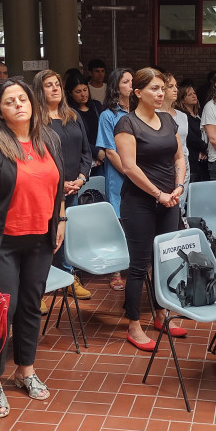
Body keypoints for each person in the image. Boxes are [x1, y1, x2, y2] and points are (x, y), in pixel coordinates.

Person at [0, 79, 65, 419]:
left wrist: (60, 219)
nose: (19, 105)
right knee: (3, 313)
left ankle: (26, 370)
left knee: (32, 307)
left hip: (40, 240)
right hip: (0, 244)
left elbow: (58, 185)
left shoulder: (48, 139)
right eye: (10, 101)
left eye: (23, 98)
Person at [114, 68, 186, 350]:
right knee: (139, 264)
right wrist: (159, 194)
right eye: (154, 89)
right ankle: (134, 324)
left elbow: (179, 157)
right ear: (138, 93)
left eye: (162, 89)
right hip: (139, 203)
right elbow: (129, 167)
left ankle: (161, 315)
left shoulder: (168, 120)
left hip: (169, 200)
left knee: (165, 261)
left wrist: (178, 188)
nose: (160, 94)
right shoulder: (126, 123)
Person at [33, 70, 92, 300]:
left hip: (74, 188)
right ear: (40, 90)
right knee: (44, 238)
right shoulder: (35, 121)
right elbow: (36, 158)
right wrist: (60, 183)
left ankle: (67, 278)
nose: (55, 88)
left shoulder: (74, 116)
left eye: (57, 84)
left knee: (66, 236)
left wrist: (81, 178)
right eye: (49, 85)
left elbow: (86, 152)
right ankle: (37, 288)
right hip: (46, 190)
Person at [96, 68, 134, 292]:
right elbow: (110, 151)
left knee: (136, 220)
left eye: (132, 81)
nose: (131, 85)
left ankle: (134, 264)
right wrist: (131, 173)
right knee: (118, 223)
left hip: (140, 174)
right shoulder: (108, 115)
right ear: (116, 86)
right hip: (119, 176)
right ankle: (115, 272)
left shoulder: (139, 111)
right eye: (126, 81)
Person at [65, 73, 105, 175]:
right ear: (70, 93)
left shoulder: (97, 106)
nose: (83, 94)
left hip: (103, 158)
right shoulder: (69, 113)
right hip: (83, 162)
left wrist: (103, 152)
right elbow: (77, 139)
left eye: (85, 89)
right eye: (78, 91)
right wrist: (96, 152)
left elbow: (105, 131)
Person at [159, 72, 189, 204]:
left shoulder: (182, 116)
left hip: (184, 165)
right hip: (163, 166)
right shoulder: (154, 114)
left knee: (180, 205)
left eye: (176, 86)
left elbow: (185, 143)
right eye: (170, 86)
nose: (176, 89)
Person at [175, 82, 208, 183]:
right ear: (182, 99)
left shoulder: (200, 114)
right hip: (192, 160)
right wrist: (206, 147)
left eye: (194, 93)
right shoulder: (182, 117)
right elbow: (191, 137)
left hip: (203, 161)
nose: (194, 96)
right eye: (189, 94)